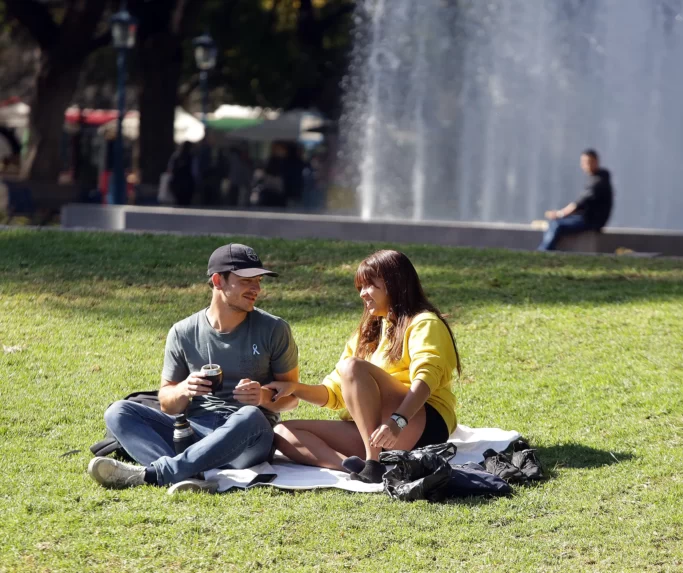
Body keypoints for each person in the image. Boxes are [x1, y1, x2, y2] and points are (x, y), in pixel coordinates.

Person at [87, 243, 300, 493]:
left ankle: (159, 473)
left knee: (250, 415)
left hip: (247, 438)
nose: (257, 289)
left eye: (258, 281)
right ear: (218, 280)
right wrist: (184, 389)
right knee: (118, 411)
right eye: (246, 281)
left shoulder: (274, 329)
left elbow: (292, 398)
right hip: (195, 430)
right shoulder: (183, 332)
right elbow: (167, 404)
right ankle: (190, 473)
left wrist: (262, 396)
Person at [266, 250, 460, 484]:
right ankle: (356, 468)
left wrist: (397, 422)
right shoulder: (368, 332)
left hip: (419, 422)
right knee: (282, 432)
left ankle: (373, 461)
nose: (362, 294)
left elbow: (427, 377)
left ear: (395, 283)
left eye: (370, 285)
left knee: (352, 367)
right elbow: (334, 393)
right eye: (360, 287)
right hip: (378, 433)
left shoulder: (424, 322)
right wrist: (295, 389)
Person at [538, 149, 614, 251]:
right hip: (587, 218)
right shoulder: (597, 178)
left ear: (596, 161)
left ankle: (543, 251)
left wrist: (560, 214)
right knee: (555, 222)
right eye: (583, 162)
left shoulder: (598, 181)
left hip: (591, 221)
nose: (585, 165)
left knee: (556, 224)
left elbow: (581, 203)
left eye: (588, 162)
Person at [167, 141, 195, 206]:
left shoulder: (176, 156)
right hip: (187, 184)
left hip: (177, 184)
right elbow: (194, 172)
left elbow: (170, 169)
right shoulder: (191, 157)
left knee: (178, 203)